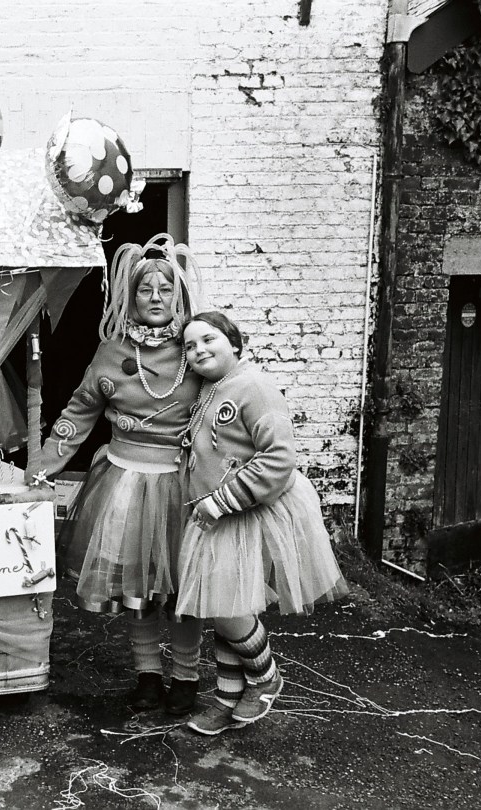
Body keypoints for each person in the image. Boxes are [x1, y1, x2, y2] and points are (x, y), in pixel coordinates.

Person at [28, 234, 205, 718]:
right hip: (123, 485)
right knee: (139, 591)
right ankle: (148, 676)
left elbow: (230, 410)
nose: (154, 298)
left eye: (164, 290)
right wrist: (41, 468)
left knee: (181, 592)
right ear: (129, 296)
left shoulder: (198, 348)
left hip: (180, 488)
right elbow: (80, 410)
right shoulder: (110, 350)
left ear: (178, 296)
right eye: (145, 289)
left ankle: (186, 679)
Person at [175, 311, 348, 736]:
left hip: (244, 510)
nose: (199, 350)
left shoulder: (255, 386)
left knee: (229, 610)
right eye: (190, 347)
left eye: (208, 339)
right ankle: (227, 698)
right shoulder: (211, 387)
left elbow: (279, 458)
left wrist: (222, 502)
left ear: (234, 343)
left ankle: (266, 675)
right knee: (225, 603)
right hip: (216, 511)